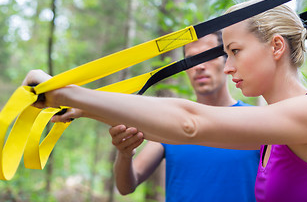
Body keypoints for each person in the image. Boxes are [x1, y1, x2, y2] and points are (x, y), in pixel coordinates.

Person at [23, 0, 307, 202]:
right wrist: (85, 108)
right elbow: (173, 134)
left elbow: (190, 124)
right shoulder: (272, 133)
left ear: (275, 47)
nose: (228, 67)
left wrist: (67, 91)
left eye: (235, 52)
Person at [108, 31, 259, 202]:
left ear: (227, 61)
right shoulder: (173, 122)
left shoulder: (256, 121)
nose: (200, 66)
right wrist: (125, 153)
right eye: (192, 59)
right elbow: (126, 186)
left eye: (209, 56)